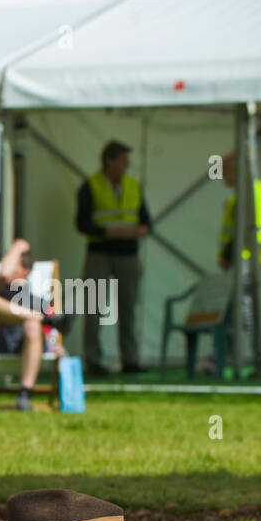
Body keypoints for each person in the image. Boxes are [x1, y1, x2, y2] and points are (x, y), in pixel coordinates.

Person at [76, 140, 151, 376]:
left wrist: (141, 230)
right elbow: (81, 223)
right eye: (123, 160)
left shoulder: (134, 186)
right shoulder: (90, 186)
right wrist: (109, 232)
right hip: (99, 252)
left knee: (128, 308)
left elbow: (147, 221)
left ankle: (130, 359)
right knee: (94, 307)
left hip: (128, 254)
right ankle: (93, 360)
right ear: (109, 161)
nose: (127, 165)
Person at [0, 239, 71, 411]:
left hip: (28, 347)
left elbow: (53, 335)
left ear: (26, 271)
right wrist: (18, 246)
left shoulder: (39, 302)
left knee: (32, 325)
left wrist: (55, 347)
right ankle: (38, 318)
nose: (8, 269)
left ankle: (24, 394)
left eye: (15, 266)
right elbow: (5, 274)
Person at [217, 152, 261, 271]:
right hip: (251, 261)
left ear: (236, 170)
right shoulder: (246, 194)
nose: (222, 177)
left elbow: (248, 231)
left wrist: (227, 255)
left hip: (254, 262)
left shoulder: (250, 194)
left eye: (225, 172)